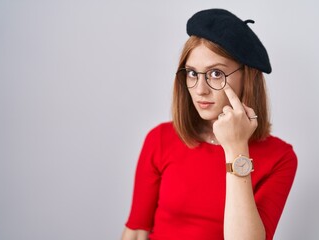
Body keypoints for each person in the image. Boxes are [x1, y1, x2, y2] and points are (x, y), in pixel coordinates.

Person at [121, 8, 297, 240]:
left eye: (215, 73)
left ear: (248, 77)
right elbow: (136, 231)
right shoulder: (160, 139)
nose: (200, 90)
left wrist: (236, 149)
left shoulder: (280, 158)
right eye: (192, 73)